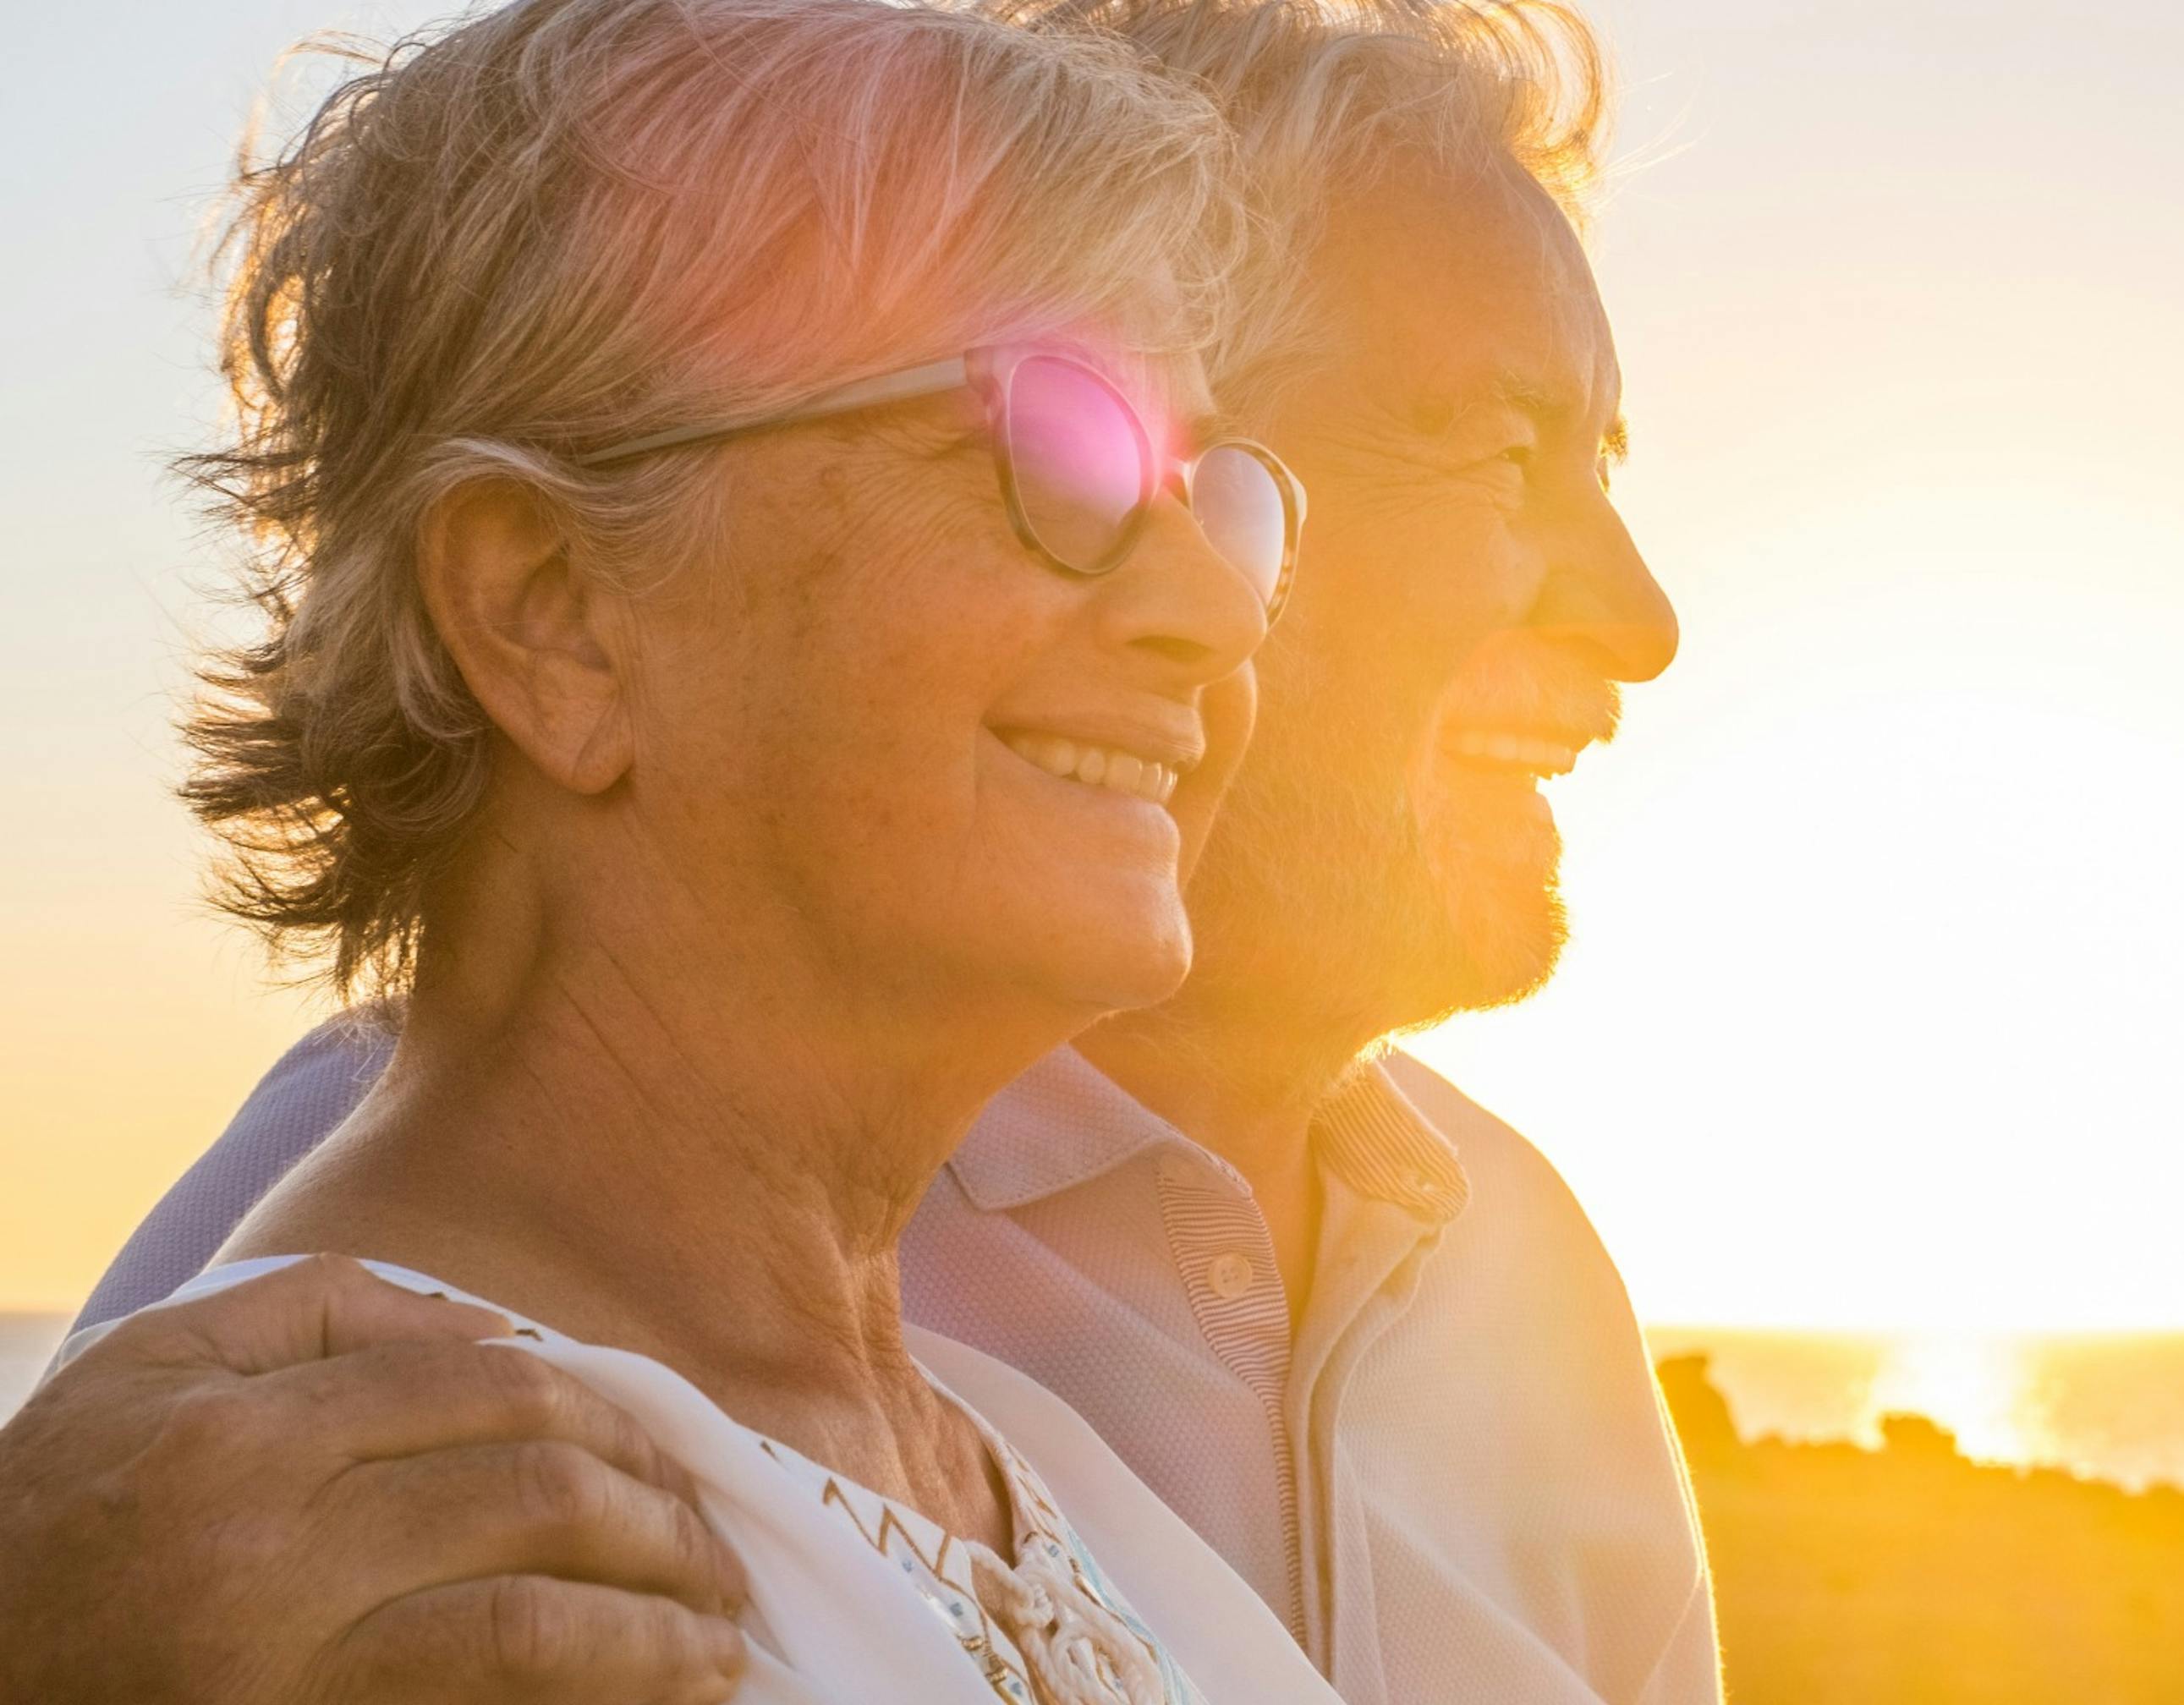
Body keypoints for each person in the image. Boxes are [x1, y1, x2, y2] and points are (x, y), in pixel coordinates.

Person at [49, 3, 1713, 1703]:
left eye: (1218, 492)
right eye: (1057, 444)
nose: (1222, 613)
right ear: (553, 614)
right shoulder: (350, 1527)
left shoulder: (1020, 1470)